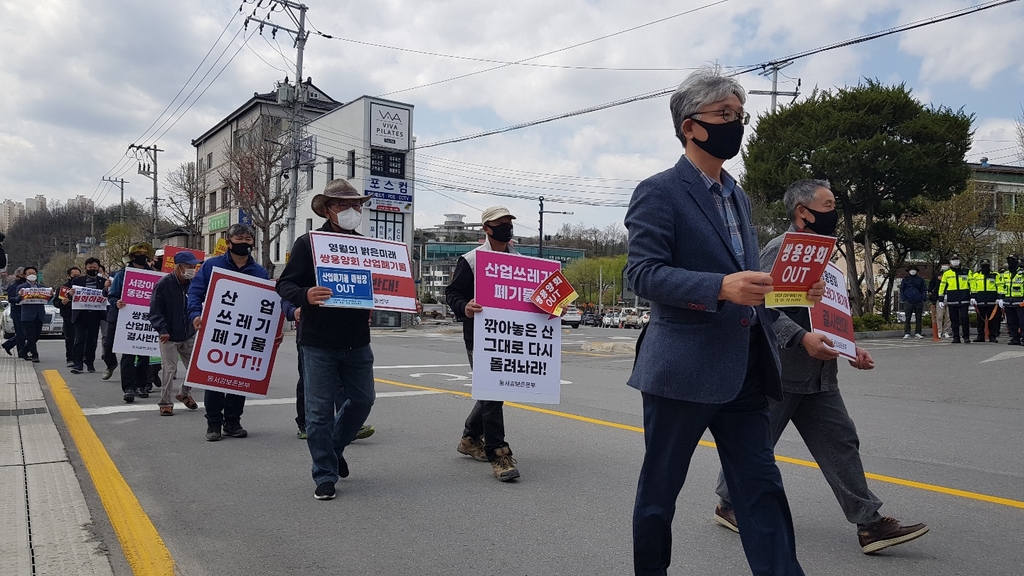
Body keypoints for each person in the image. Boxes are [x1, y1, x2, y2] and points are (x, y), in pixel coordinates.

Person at [625, 66, 818, 576]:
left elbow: (748, 282)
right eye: (724, 115)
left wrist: (794, 289)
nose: (735, 124)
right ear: (690, 125)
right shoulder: (659, 191)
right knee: (659, 493)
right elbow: (643, 275)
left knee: (761, 491)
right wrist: (716, 287)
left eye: (739, 115)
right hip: (681, 371)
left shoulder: (739, 195)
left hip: (747, 367)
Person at [711, 179, 929, 555]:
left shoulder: (824, 258)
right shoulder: (780, 250)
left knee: (840, 442)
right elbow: (759, 307)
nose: (835, 213)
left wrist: (850, 349)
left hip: (819, 376)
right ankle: (728, 503)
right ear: (803, 212)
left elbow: (827, 315)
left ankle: (869, 524)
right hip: (780, 372)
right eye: (828, 206)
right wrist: (800, 338)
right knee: (757, 445)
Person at [278, 180, 378, 501]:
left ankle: (334, 447)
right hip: (318, 340)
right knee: (318, 412)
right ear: (327, 210)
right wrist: (304, 295)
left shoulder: (365, 246)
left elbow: (381, 287)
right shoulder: (309, 243)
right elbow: (285, 285)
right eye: (343, 205)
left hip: (357, 340)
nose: (352, 211)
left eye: (357, 205)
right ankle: (324, 472)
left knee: (363, 399)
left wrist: (396, 300)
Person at [445, 205, 522, 483]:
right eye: (499, 223)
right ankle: (498, 453)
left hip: (510, 336)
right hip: (479, 337)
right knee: (492, 392)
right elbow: (452, 293)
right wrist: (464, 306)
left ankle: (469, 438)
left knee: (493, 391)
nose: (506, 227)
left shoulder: (521, 262)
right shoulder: (472, 261)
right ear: (486, 229)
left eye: (508, 222)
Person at [189, 224, 268, 442]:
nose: (244, 242)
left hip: (245, 332)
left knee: (239, 376)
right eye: (239, 238)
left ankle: (233, 421)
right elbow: (195, 293)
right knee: (214, 377)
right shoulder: (211, 266)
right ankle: (213, 423)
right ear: (228, 241)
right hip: (216, 329)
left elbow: (267, 304)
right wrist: (195, 314)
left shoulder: (260, 272)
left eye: (248, 239)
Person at [149, 251, 201, 416]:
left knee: (197, 367)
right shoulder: (164, 284)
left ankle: (184, 393)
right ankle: (165, 403)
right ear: (178, 266)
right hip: (169, 335)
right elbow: (155, 311)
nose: (192, 269)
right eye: (189, 266)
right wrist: (162, 330)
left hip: (188, 333)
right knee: (169, 369)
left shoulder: (194, 283)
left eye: (194, 266)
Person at [108, 243, 155, 402]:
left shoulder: (155, 275)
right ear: (132, 257)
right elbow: (112, 296)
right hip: (127, 319)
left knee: (144, 354)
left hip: (147, 320)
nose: (142, 256)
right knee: (128, 354)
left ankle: (141, 385)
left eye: (145, 253)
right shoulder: (121, 275)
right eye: (139, 253)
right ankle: (128, 387)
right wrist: (117, 302)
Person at [69, 258, 110, 374]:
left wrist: (107, 288)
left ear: (98, 268)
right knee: (79, 339)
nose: (92, 269)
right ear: (86, 267)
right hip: (80, 314)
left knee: (92, 340)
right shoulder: (77, 281)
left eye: (95, 268)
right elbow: (70, 296)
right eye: (90, 267)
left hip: (95, 314)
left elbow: (108, 296)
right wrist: (70, 294)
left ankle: (89, 362)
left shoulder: (103, 281)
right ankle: (78, 364)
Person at [13, 266, 46, 362]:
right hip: (27, 316)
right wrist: (19, 295)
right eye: (29, 273)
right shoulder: (21, 287)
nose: (32, 275)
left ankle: (23, 351)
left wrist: (50, 294)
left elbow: (47, 299)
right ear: (25, 275)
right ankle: (34, 354)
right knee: (30, 336)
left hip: (39, 314)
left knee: (37, 336)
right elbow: (16, 300)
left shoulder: (42, 287)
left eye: (33, 273)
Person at [939, 253, 972, 344]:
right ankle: (956, 337)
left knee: (964, 318)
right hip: (952, 299)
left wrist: (973, 296)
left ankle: (966, 337)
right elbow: (942, 286)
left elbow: (972, 284)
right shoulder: (947, 274)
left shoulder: (966, 271)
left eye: (957, 260)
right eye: (953, 260)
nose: (955, 261)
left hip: (964, 298)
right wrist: (941, 298)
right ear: (950, 262)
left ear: (960, 261)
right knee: (954, 319)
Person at [54, 266, 82, 366]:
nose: (76, 278)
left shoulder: (84, 287)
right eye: (74, 276)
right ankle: (70, 358)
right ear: (69, 276)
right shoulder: (63, 289)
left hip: (81, 316)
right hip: (68, 316)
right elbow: (56, 303)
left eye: (78, 276)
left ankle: (80, 357)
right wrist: (62, 302)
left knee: (81, 338)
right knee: (70, 338)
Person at [970, 259, 1001, 343]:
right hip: (980, 301)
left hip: (992, 301)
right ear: (981, 266)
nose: (985, 267)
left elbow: (999, 286)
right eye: (983, 265)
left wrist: (999, 297)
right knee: (980, 321)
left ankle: (993, 336)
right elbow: (973, 287)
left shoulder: (995, 275)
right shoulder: (975, 275)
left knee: (993, 321)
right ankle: (980, 336)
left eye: (986, 265)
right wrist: (973, 297)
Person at [1000, 255, 1024, 345]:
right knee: (1011, 322)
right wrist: (1001, 299)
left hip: (1020, 302)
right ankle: (1015, 338)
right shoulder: (1006, 274)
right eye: (1008, 260)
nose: (1010, 262)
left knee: (1022, 322)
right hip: (1008, 302)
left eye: (1012, 260)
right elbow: (1002, 286)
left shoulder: (1022, 273)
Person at [2, 267, 26, 357]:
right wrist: (19, 297)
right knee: (20, 333)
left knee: (26, 333)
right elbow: (11, 299)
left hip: (27, 311)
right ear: (17, 276)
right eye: (23, 274)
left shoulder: (29, 285)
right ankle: (21, 351)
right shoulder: (13, 286)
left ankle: (8, 344)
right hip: (17, 312)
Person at [899, 265, 927, 339]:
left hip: (918, 301)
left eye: (914, 270)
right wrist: (904, 298)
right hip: (909, 301)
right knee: (907, 317)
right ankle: (907, 332)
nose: (913, 271)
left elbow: (924, 289)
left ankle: (918, 332)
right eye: (911, 270)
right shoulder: (905, 279)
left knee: (919, 318)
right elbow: (902, 289)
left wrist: (923, 298)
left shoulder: (920, 280)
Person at [928, 259, 952, 339]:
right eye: (943, 264)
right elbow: (932, 284)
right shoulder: (937, 274)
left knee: (948, 316)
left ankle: (946, 331)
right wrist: (930, 291)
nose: (945, 266)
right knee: (939, 316)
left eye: (947, 264)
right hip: (940, 297)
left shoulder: (952, 274)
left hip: (950, 296)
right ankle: (939, 331)